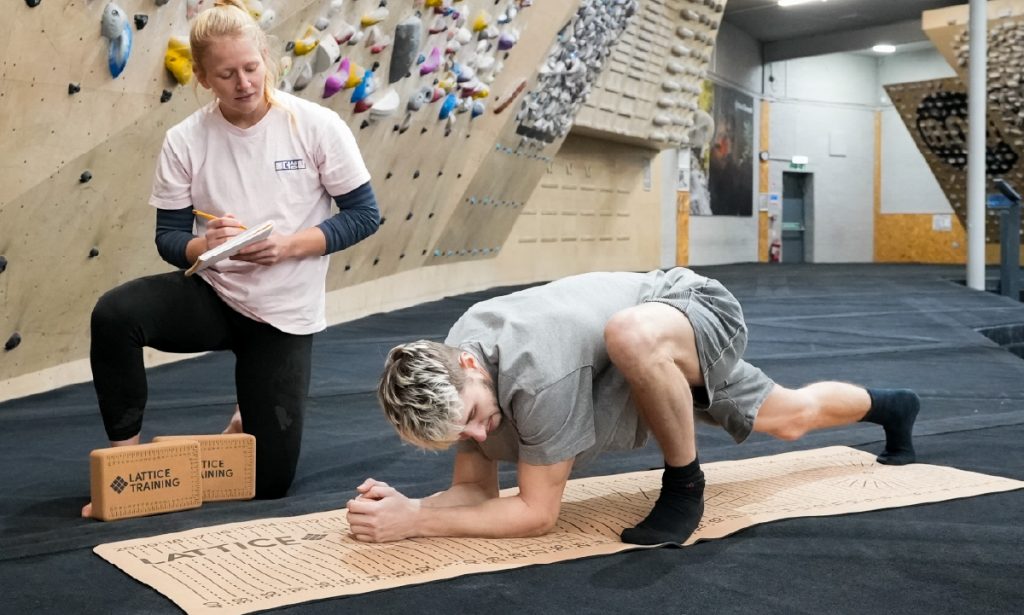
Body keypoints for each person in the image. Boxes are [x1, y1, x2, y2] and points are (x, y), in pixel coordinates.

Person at [346, 268, 919, 545]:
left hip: (679, 309)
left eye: (471, 418)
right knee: (791, 417)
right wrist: (405, 506)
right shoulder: (462, 361)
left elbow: (536, 514)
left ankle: (684, 485)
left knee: (629, 334)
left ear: (470, 368)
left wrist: (419, 522)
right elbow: (477, 493)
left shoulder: (534, 373)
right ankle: (894, 407)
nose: (477, 436)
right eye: (459, 436)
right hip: (626, 369)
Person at [83, 0, 379, 516]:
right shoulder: (184, 140)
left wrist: (289, 245)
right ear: (202, 78)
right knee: (114, 314)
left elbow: (363, 215)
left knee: (268, 485)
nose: (243, 82)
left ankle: (250, 413)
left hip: (283, 315)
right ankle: (122, 463)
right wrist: (204, 245)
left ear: (267, 58)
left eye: (250, 67)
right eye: (226, 74)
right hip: (215, 294)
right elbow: (170, 236)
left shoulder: (317, 126)